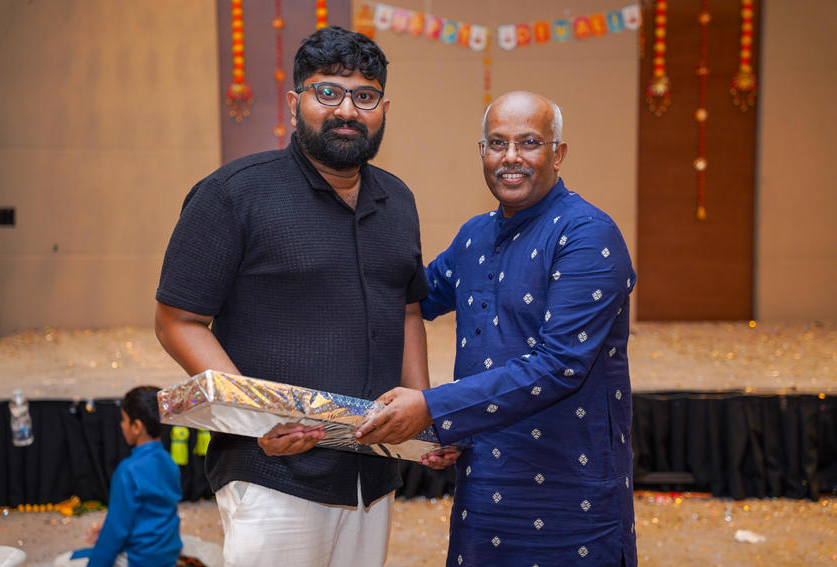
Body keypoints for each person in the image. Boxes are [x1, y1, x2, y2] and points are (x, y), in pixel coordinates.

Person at [154, 26, 450, 567]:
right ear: (295, 103)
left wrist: (421, 416)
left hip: (372, 474)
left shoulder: (399, 200)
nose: (347, 110)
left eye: (364, 96)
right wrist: (257, 419)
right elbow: (178, 320)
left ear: (384, 109)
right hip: (272, 470)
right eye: (327, 92)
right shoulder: (233, 193)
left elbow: (408, 310)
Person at [356, 91, 638, 566]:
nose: (511, 157)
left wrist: (431, 408)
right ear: (482, 152)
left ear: (558, 153)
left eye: (529, 142)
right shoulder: (474, 236)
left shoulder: (587, 234)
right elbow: (408, 299)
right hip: (484, 481)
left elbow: (560, 365)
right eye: (497, 143)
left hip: (571, 487)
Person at [53, 386, 182, 567]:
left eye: (124, 420)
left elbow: (115, 532)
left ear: (136, 427)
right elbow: (155, 511)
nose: (121, 425)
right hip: (168, 554)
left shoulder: (128, 470)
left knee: (62, 562)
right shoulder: (169, 462)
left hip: (140, 559)